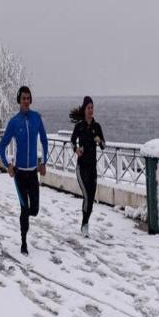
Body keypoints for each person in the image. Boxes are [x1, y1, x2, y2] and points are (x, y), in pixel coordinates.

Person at [0, 86, 48, 256]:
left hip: (33, 172)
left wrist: (44, 161)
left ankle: (26, 225)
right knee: (24, 209)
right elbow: (2, 145)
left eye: (28, 98)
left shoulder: (36, 118)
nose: (26, 101)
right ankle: (24, 241)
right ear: (19, 100)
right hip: (19, 174)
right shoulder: (14, 122)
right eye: (23, 98)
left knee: (34, 210)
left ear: (30, 100)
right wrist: (8, 165)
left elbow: (44, 140)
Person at [69, 96, 105, 237]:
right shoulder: (79, 126)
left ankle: (84, 223)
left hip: (92, 168)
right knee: (87, 197)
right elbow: (72, 141)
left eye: (92, 108)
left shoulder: (97, 127)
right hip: (81, 168)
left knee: (90, 199)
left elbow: (104, 145)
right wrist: (76, 150)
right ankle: (85, 226)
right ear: (84, 109)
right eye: (88, 108)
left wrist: (99, 139)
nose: (91, 110)